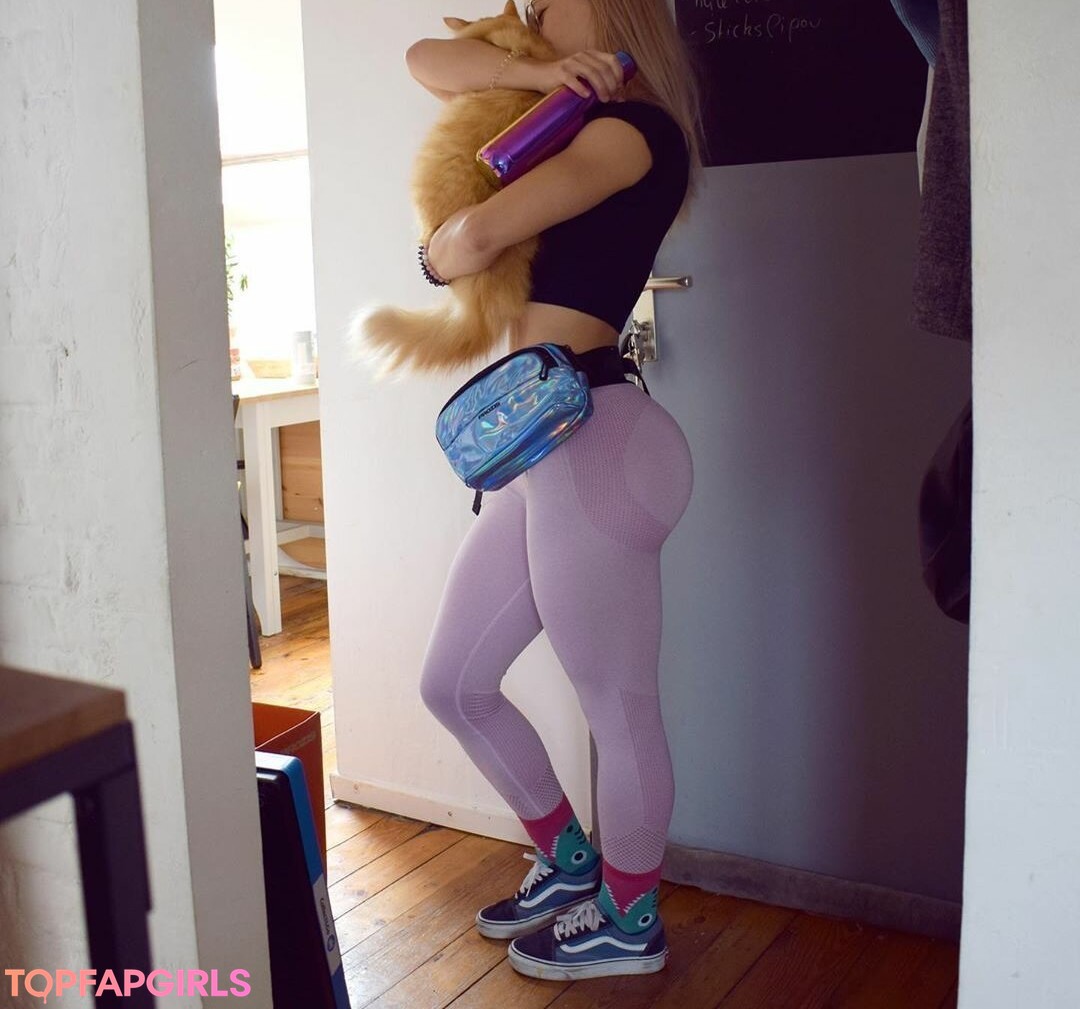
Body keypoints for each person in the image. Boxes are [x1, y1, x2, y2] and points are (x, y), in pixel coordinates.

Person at [409, 0, 703, 980]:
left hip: (596, 437)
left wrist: (443, 246)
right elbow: (426, 57)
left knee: (616, 703)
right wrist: (536, 78)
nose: (534, 12)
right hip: (541, 439)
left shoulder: (629, 132)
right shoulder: (561, 115)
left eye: (554, 3)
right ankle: (571, 862)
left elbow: (471, 239)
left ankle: (630, 917)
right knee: (454, 683)